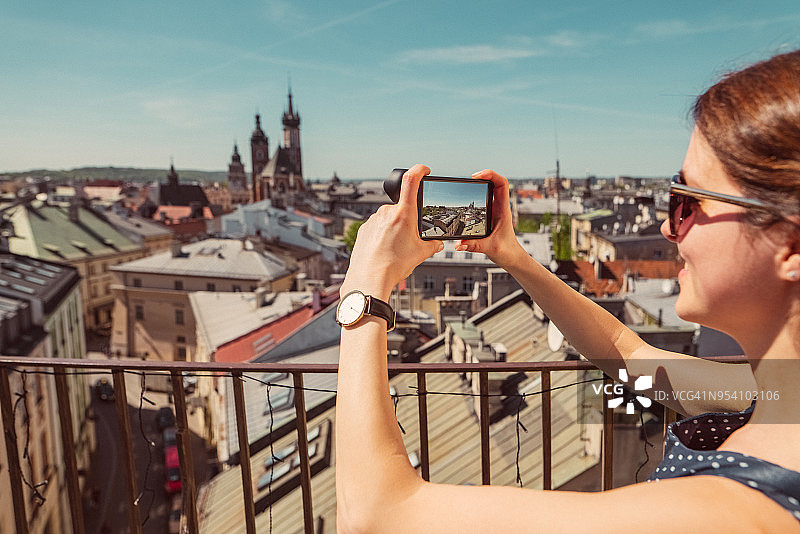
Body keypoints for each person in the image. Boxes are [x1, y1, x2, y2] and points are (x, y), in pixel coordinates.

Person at [336, 49, 800, 533]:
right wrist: (511, 254)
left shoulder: (738, 515)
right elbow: (626, 351)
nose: (666, 226)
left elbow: (373, 516)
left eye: (686, 202)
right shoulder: (772, 399)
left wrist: (365, 286)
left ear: (791, 243)